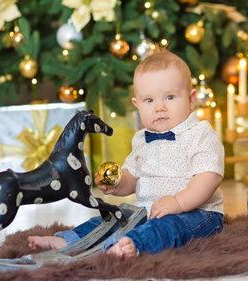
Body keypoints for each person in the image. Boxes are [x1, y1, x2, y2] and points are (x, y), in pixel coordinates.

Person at [28, 46, 225, 258]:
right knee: (114, 217)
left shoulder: (200, 133)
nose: (159, 107)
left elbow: (209, 177)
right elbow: (132, 178)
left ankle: (133, 245)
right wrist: (118, 183)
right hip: (146, 208)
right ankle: (69, 240)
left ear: (190, 99)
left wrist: (178, 202)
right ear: (137, 104)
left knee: (168, 228)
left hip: (197, 213)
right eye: (149, 100)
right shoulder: (141, 139)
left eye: (169, 97)